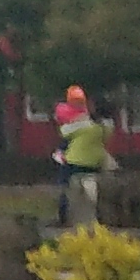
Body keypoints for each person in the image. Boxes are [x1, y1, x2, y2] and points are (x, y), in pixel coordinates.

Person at [54, 86, 112, 232]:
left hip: (74, 162)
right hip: (94, 163)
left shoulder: (83, 123)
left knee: (67, 191)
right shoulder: (108, 125)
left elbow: (64, 132)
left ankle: (64, 220)